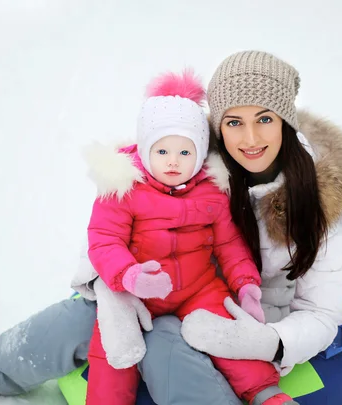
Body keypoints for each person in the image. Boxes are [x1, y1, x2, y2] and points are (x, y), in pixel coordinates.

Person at [0, 50, 342, 405]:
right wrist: (117, 278)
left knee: (166, 348)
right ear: (216, 126)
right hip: (151, 285)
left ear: (285, 121)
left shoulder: (319, 204)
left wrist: (267, 342)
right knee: (80, 322)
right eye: (234, 122)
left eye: (264, 119)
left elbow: (322, 314)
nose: (249, 137)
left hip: (233, 314)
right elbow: (114, 226)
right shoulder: (187, 156)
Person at [80, 69, 294, 405]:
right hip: (137, 289)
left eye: (185, 152)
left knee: (227, 331)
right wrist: (130, 275)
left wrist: (246, 284)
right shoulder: (124, 188)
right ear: (146, 148)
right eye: (162, 152)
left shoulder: (211, 191)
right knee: (113, 346)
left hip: (198, 287)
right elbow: (104, 240)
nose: (173, 163)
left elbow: (229, 245)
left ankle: (266, 394)